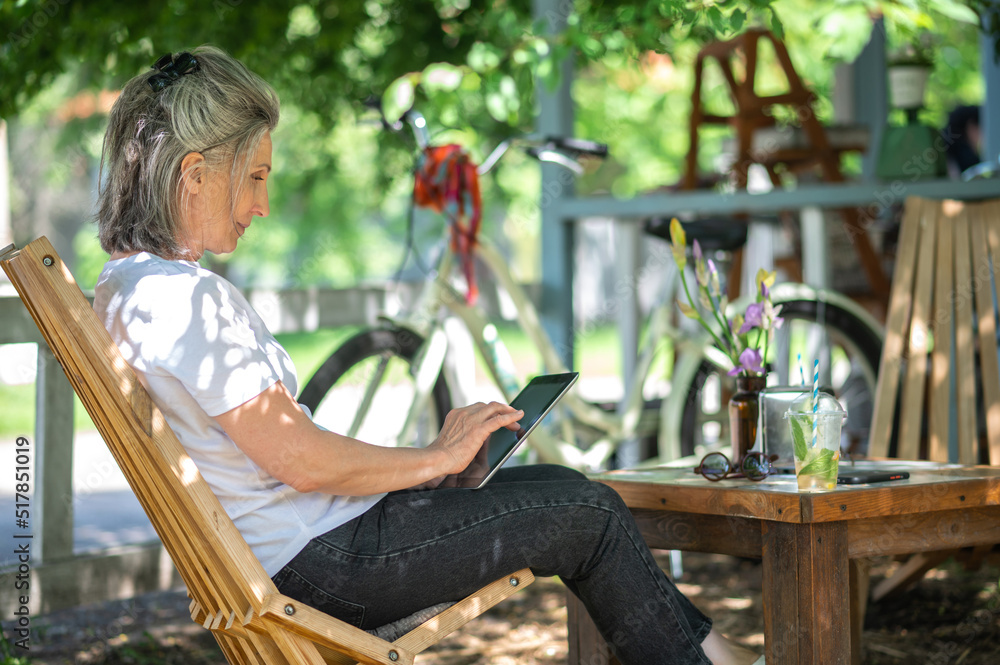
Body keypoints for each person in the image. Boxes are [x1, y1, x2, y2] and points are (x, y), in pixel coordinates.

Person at [92, 45, 763, 665]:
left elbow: (287, 461)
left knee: (569, 485)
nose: (263, 205)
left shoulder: (128, 289)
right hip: (325, 566)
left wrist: (423, 473)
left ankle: (709, 650)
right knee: (590, 516)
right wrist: (435, 459)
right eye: (255, 177)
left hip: (309, 550)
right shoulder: (187, 302)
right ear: (195, 176)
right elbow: (299, 460)